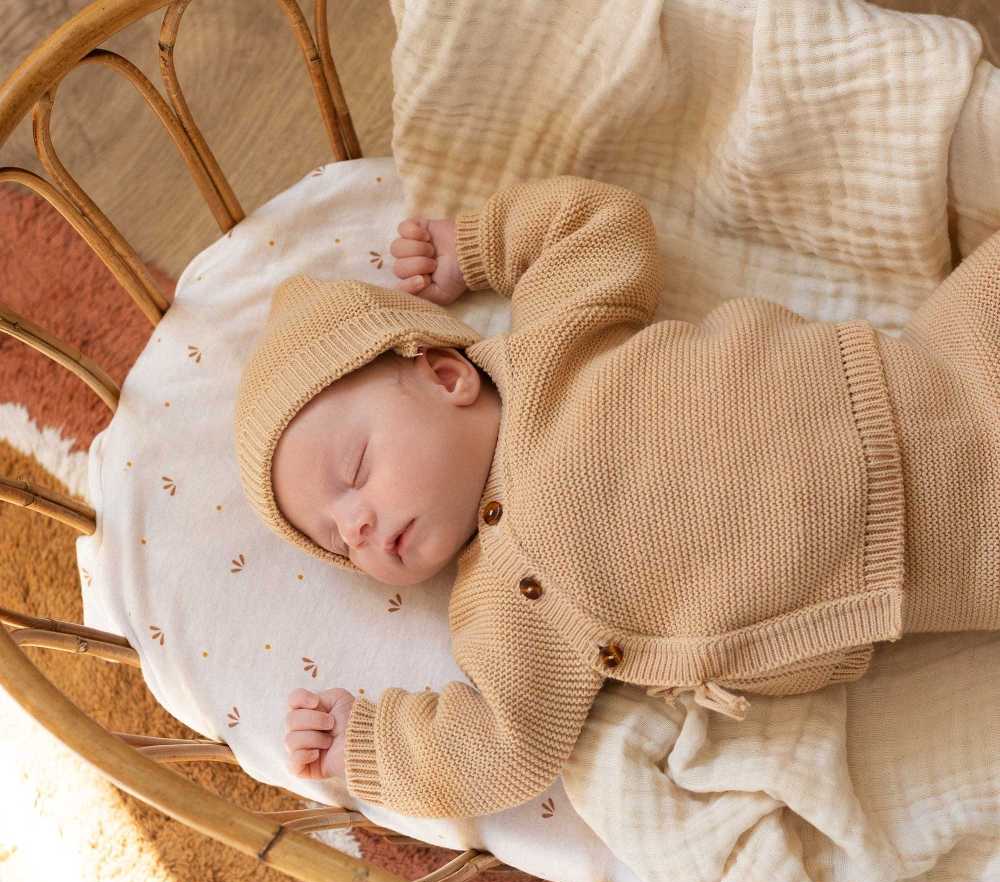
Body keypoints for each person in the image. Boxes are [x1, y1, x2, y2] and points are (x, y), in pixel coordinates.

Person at [233, 174, 1000, 818]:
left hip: (918, 374)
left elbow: (599, 224)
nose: (356, 526)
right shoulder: (507, 605)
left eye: (355, 470)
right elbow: (504, 746)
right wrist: (371, 744)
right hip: (935, 549)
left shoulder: (553, 343)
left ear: (446, 376)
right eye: (334, 540)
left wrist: (477, 246)